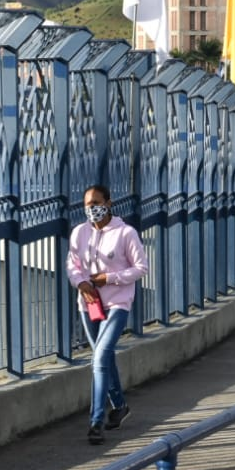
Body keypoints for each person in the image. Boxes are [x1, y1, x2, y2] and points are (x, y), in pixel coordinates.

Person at [66, 185, 148, 445]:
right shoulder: (79, 233)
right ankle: (120, 405)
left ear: (109, 203)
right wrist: (81, 283)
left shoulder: (126, 234)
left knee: (99, 358)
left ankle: (96, 421)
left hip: (117, 304)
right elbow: (73, 264)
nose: (92, 208)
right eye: (87, 204)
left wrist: (109, 278)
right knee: (103, 357)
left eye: (97, 203)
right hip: (89, 303)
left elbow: (140, 268)